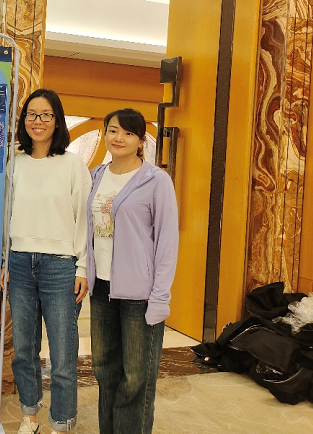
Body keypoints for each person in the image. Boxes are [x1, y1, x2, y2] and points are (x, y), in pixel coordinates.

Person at [3, 88, 92, 434]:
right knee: (24, 350)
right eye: (31, 115)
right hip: (20, 264)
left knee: (63, 356)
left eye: (45, 115)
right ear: (24, 121)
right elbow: (6, 216)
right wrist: (5, 261)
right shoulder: (15, 164)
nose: (37, 121)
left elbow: (83, 220)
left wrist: (82, 266)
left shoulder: (73, 165)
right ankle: (30, 416)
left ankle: (61, 423)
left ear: (57, 121)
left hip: (60, 267)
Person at [86, 108, 178, 434]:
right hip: (102, 289)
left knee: (136, 377)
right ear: (105, 134)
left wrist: (160, 296)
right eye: (113, 130)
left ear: (141, 140)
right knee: (105, 371)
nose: (119, 138)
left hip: (140, 294)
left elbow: (167, 242)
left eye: (128, 133)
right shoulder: (95, 176)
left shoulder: (156, 180)